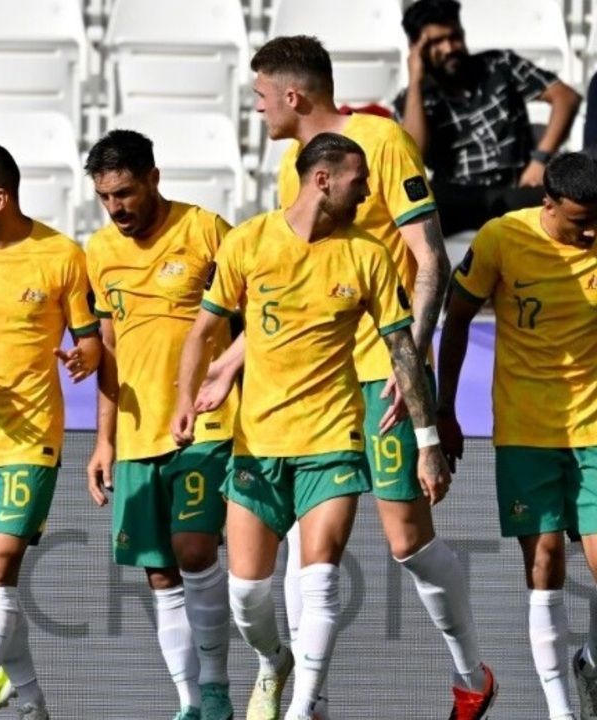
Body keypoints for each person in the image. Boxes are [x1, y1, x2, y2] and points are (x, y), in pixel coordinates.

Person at [218, 35, 493, 718]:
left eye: (259, 97)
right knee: (305, 551)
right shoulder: (293, 169)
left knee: (408, 541)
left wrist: (416, 356)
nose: (256, 110)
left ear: (293, 95)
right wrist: (228, 362)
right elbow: (288, 291)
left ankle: (471, 675)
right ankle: (306, 700)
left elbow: (429, 256)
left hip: (388, 371)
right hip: (319, 385)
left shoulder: (379, 140)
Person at [174, 133, 452, 720]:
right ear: (323, 180)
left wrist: (426, 444)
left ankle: (302, 708)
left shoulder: (368, 254)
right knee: (248, 596)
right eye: (359, 180)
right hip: (258, 446)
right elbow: (202, 331)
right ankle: (275, 661)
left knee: (320, 581)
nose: (367, 190)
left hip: (333, 442)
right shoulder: (250, 241)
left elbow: (403, 353)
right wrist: (190, 394)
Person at [0, 143, 100, 720]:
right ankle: (30, 701)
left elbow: (88, 336)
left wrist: (85, 355)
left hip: (28, 436)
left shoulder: (59, 254)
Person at [439, 152, 597, 720]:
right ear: (548, 205)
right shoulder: (502, 239)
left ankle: (591, 662)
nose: (591, 231)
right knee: (546, 560)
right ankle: (562, 711)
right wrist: (445, 409)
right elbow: (456, 319)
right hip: (527, 429)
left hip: (595, 429)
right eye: (581, 221)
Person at [84, 129, 236, 720]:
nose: (117, 209)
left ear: (153, 177)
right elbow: (110, 346)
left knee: (194, 548)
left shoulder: (206, 230)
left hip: (207, 422)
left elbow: (253, 320)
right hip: (136, 430)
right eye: (105, 198)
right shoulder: (98, 251)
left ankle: (219, 684)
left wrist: (224, 376)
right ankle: (190, 702)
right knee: (159, 573)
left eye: (124, 192)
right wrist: (104, 439)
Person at [395, 0, 581, 236]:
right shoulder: (412, 99)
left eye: (454, 36)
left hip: (515, 190)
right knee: (414, 208)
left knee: (568, 200)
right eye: (436, 42)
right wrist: (415, 82)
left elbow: (566, 97)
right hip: (455, 197)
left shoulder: (499, 65)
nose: (450, 47)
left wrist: (540, 159)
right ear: (416, 49)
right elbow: (414, 155)